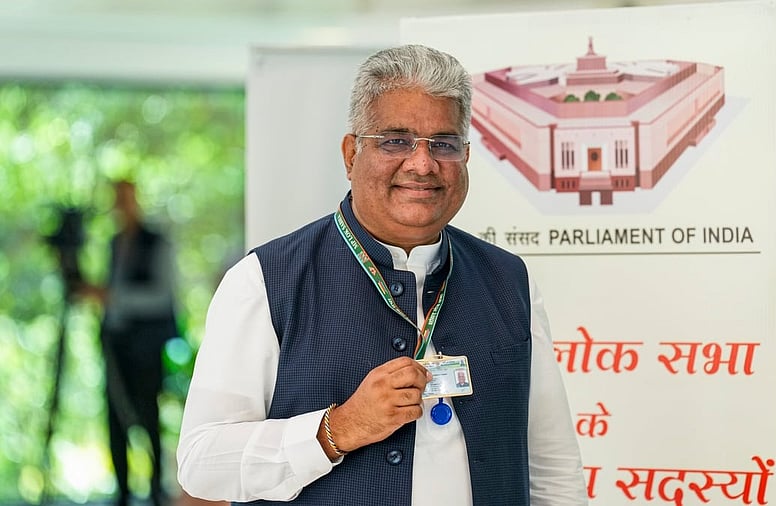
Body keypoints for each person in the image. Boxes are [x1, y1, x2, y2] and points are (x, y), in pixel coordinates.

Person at [176, 44, 586, 505]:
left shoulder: (509, 280)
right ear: (351, 154)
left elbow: (552, 470)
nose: (422, 164)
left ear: (466, 157)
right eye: (396, 140)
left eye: (444, 144)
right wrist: (337, 429)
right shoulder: (265, 280)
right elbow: (201, 462)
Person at [80, 180, 177, 506]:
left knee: (148, 416)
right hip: (115, 346)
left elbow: (162, 297)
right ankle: (121, 490)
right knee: (114, 419)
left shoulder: (156, 243)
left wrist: (114, 298)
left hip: (146, 348)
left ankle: (154, 489)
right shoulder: (113, 243)